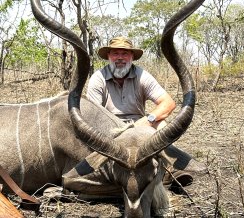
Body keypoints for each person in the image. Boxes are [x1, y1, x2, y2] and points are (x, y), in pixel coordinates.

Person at [61, 36, 207, 198]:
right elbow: (93, 115)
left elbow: (168, 103)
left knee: (162, 125)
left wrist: (148, 120)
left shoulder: (142, 75)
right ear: (109, 56)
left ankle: (169, 170)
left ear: (132, 57)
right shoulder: (98, 78)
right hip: (110, 133)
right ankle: (152, 178)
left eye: (125, 53)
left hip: (140, 130)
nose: (120, 58)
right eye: (115, 53)